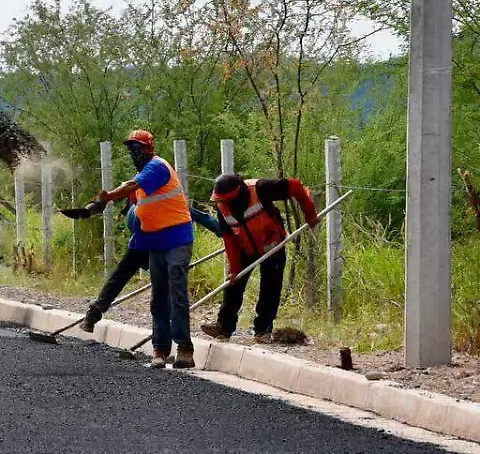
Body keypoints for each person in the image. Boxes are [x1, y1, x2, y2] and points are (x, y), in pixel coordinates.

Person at [100, 130, 196, 369]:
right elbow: (139, 204)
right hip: (155, 242)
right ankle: (160, 350)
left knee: (177, 290)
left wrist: (110, 195)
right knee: (158, 296)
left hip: (177, 240)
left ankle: (185, 350)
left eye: (137, 148)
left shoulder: (157, 167)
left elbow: (132, 185)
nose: (133, 153)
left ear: (147, 149)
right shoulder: (142, 175)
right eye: (131, 149)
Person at [200, 174, 319, 344]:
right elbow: (229, 238)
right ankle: (224, 328)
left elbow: (295, 186)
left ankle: (263, 330)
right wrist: (234, 268)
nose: (227, 204)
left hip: (272, 244)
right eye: (223, 201)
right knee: (233, 285)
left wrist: (310, 213)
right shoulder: (222, 206)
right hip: (244, 246)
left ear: (239, 192)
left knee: (270, 288)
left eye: (229, 200)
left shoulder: (261, 189)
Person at [78, 202, 220, 333]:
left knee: (120, 277)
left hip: (143, 242)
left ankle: (93, 315)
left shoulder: (140, 200)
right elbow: (201, 217)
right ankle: (166, 325)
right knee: (162, 285)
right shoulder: (167, 201)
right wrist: (222, 231)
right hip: (153, 243)